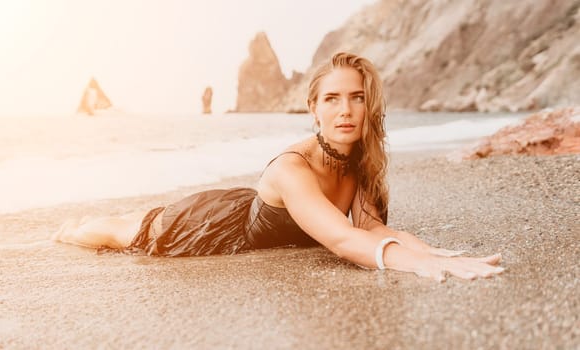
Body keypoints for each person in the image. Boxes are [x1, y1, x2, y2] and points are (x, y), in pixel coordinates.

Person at [53, 52, 504, 282]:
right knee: (124, 232)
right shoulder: (294, 167)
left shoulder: (361, 160)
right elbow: (344, 240)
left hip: (245, 211)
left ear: (370, 106)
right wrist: (416, 266)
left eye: (357, 97)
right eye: (332, 99)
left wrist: (432, 253)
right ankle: (69, 230)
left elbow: (369, 228)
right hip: (210, 227)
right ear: (314, 108)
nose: (345, 110)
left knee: (129, 227)